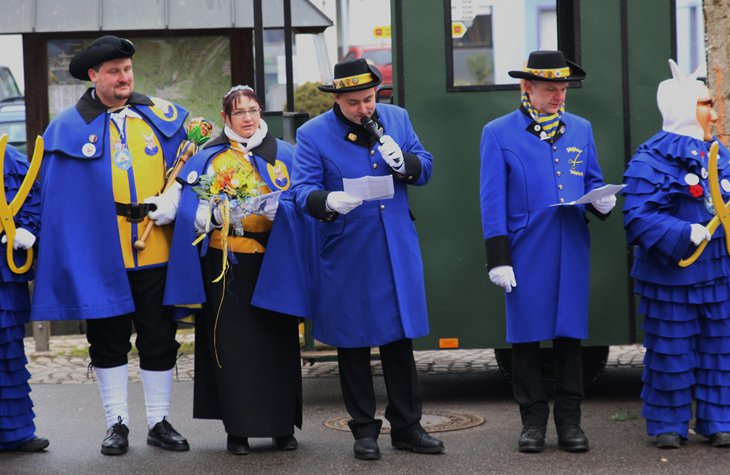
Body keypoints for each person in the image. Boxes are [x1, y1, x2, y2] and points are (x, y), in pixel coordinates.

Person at [31, 35, 190, 455]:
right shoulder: (66, 127)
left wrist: (174, 200)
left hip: (156, 247)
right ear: (94, 76)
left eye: (128, 70)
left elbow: (197, 166)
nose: (124, 78)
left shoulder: (160, 116)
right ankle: (116, 422)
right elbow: (54, 197)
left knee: (160, 337)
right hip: (100, 254)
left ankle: (158, 420)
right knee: (108, 339)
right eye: (115, 72)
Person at [291, 58, 444, 460]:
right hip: (348, 249)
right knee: (353, 342)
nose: (365, 109)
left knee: (399, 340)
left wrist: (406, 164)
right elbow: (300, 190)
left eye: (370, 99)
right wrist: (326, 200)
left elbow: (425, 166)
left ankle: (408, 426)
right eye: (355, 102)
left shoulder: (397, 117)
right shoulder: (313, 134)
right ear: (337, 99)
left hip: (394, 245)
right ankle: (363, 430)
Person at [479, 50, 616, 454]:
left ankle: (570, 424)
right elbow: (491, 200)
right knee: (525, 340)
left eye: (563, 89)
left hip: (570, 244)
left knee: (570, 338)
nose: (559, 97)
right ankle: (533, 424)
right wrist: (498, 256)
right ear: (526, 88)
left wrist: (601, 202)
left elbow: (590, 179)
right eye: (550, 89)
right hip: (524, 248)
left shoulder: (581, 128)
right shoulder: (498, 132)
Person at [623, 60, 730, 449]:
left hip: (718, 276)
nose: (715, 114)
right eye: (706, 104)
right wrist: (684, 232)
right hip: (670, 279)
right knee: (671, 348)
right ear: (685, 108)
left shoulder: (719, 154)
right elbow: (637, 217)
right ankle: (668, 424)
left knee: (722, 348)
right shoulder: (650, 159)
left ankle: (721, 422)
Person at [164, 85, 308, 455]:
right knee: (232, 348)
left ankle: (281, 427)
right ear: (225, 117)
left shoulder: (284, 155)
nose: (248, 118)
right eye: (239, 112)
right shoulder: (208, 158)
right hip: (226, 262)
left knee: (279, 344)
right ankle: (238, 430)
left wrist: (284, 212)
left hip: (275, 261)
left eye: (253, 110)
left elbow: (304, 202)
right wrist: (210, 216)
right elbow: (186, 212)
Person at [0, 143, 48, 453]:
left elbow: (34, 198)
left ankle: (12, 432)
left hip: (3, 275)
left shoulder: (10, 159)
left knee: (6, 351)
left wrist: (27, 229)